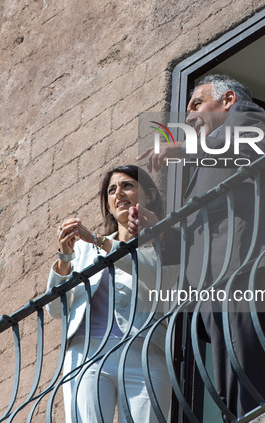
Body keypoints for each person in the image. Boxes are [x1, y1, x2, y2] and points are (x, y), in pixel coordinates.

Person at [140, 74, 265, 420]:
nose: (190, 115)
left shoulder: (248, 118)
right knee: (232, 372)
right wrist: (158, 232)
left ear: (227, 101)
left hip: (242, 265)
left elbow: (255, 146)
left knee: (245, 364)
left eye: (197, 104)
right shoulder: (207, 155)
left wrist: (181, 149)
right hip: (213, 279)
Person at [46, 165, 176, 423]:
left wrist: (99, 240)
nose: (119, 193)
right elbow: (56, 309)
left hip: (145, 353)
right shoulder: (85, 251)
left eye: (127, 185)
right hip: (87, 356)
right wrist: (64, 257)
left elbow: (162, 282)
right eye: (112, 190)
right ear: (108, 205)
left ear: (149, 195)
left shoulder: (163, 245)